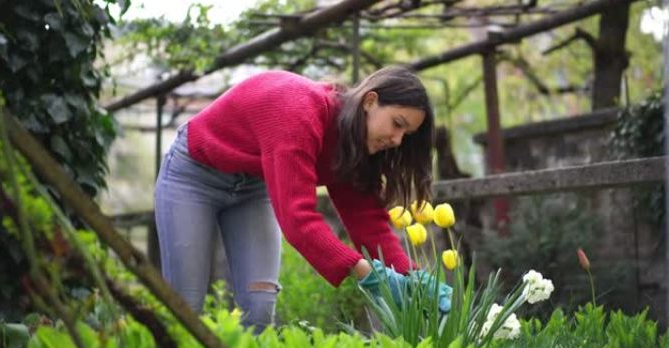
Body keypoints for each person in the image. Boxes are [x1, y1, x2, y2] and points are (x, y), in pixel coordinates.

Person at [154, 65, 451, 332]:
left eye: (406, 134)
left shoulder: (355, 144)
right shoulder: (299, 110)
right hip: (193, 175)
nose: (397, 140)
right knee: (185, 305)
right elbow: (298, 219)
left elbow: (368, 223)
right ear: (370, 101)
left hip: (252, 187)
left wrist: (414, 280)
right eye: (397, 124)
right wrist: (368, 274)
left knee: (258, 309)